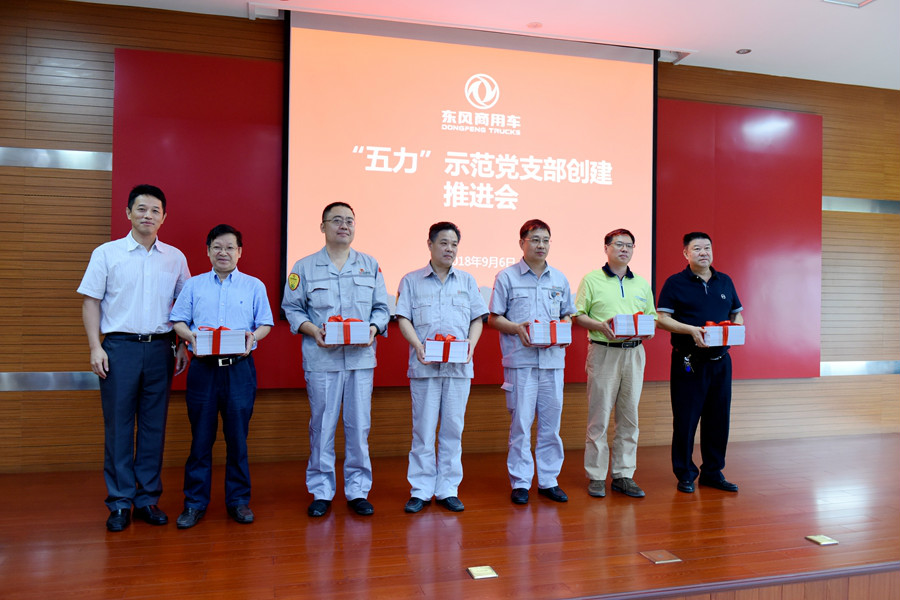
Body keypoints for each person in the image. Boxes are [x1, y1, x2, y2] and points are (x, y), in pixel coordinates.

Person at [77, 184, 191, 532]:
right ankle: (119, 501)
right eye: (141, 209)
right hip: (119, 349)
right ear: (128, 213)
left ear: (164, 217)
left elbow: (186, 306)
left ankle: (147, 499)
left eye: (155, 210)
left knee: (154, 427)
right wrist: (95, 346)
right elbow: (90, 302)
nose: (148, 215)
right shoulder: (106, 253)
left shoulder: (175, 258)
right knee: (119, 426)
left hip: (160, 348)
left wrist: (182, 345)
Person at [282, 202, 390, 517]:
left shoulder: (370, 264)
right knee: (322, 426)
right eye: (337, 220)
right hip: (322, 359)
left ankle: (357, 490)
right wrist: (312, 330)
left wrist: (373, 329)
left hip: (360, 360)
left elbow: (382, 308)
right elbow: (292, 308)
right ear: (323, 226)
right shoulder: (304, 267)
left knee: (359, 427)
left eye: (349, 221)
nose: (344, 225)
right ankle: (321, 491)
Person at [169, 224, 274, 528]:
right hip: (203, 370)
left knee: (237, 440)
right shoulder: (194, 285)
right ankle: (194, 503)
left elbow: (265, 323)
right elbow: (177, 321)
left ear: (239, 252)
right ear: (208, 251)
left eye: (229, 247)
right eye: (217, 247)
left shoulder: (254, 286)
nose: (223, 252)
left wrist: (253, 337)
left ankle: (238, 501)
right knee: (200, 440)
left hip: (239, 369)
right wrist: (190, 337)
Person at [395, 222, 488, 514]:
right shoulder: (411, 280)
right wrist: (417, 345)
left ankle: (448, 488)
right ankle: (421, 490)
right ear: (430, 245)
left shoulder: (467, 281)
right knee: (423, 430)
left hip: (458, 369)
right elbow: (403, 318)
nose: (450, 249)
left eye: (454, 244)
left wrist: (471, 346)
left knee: (452, 429)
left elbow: (477, 319)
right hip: (424, 367)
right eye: (444, 243)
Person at [488, 219, 575, 505]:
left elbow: (567, 313)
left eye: (546, 240)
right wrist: (516, 328)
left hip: (552, 362)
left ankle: (549, 480)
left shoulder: (559, 278)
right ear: (522, 243)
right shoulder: (507, 277)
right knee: (521, 425)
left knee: (551, 426)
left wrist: (564, 326)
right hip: (521, 362)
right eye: (535, 239)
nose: (541, 245)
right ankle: (521, 482)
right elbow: (494, 318)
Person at [656, 232, 744, 493]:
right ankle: (685, 473)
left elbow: (737, 314)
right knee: (686, 418)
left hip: (721, 361)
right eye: (697, 248)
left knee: (719, 419)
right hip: (688, 361)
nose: (704, 252)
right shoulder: (675, 283)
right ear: (686, 253)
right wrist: (691, 330)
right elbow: (662, 319)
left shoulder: (725, 281)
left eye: (707, 248)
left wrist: (735, 329)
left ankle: (713, 472)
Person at [573, 229, 657, 499]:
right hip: (603, 351)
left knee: (629, 417)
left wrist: (648, 329)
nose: (624, 249)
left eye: (629, 245)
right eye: (619, 244)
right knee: (598, 417)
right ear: (606, 247)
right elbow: (577, 315)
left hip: (634, 353)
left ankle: (623, 474)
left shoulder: (641, 283)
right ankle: (596, 476)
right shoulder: (591, 279)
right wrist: (599, 325)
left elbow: (652, 316)